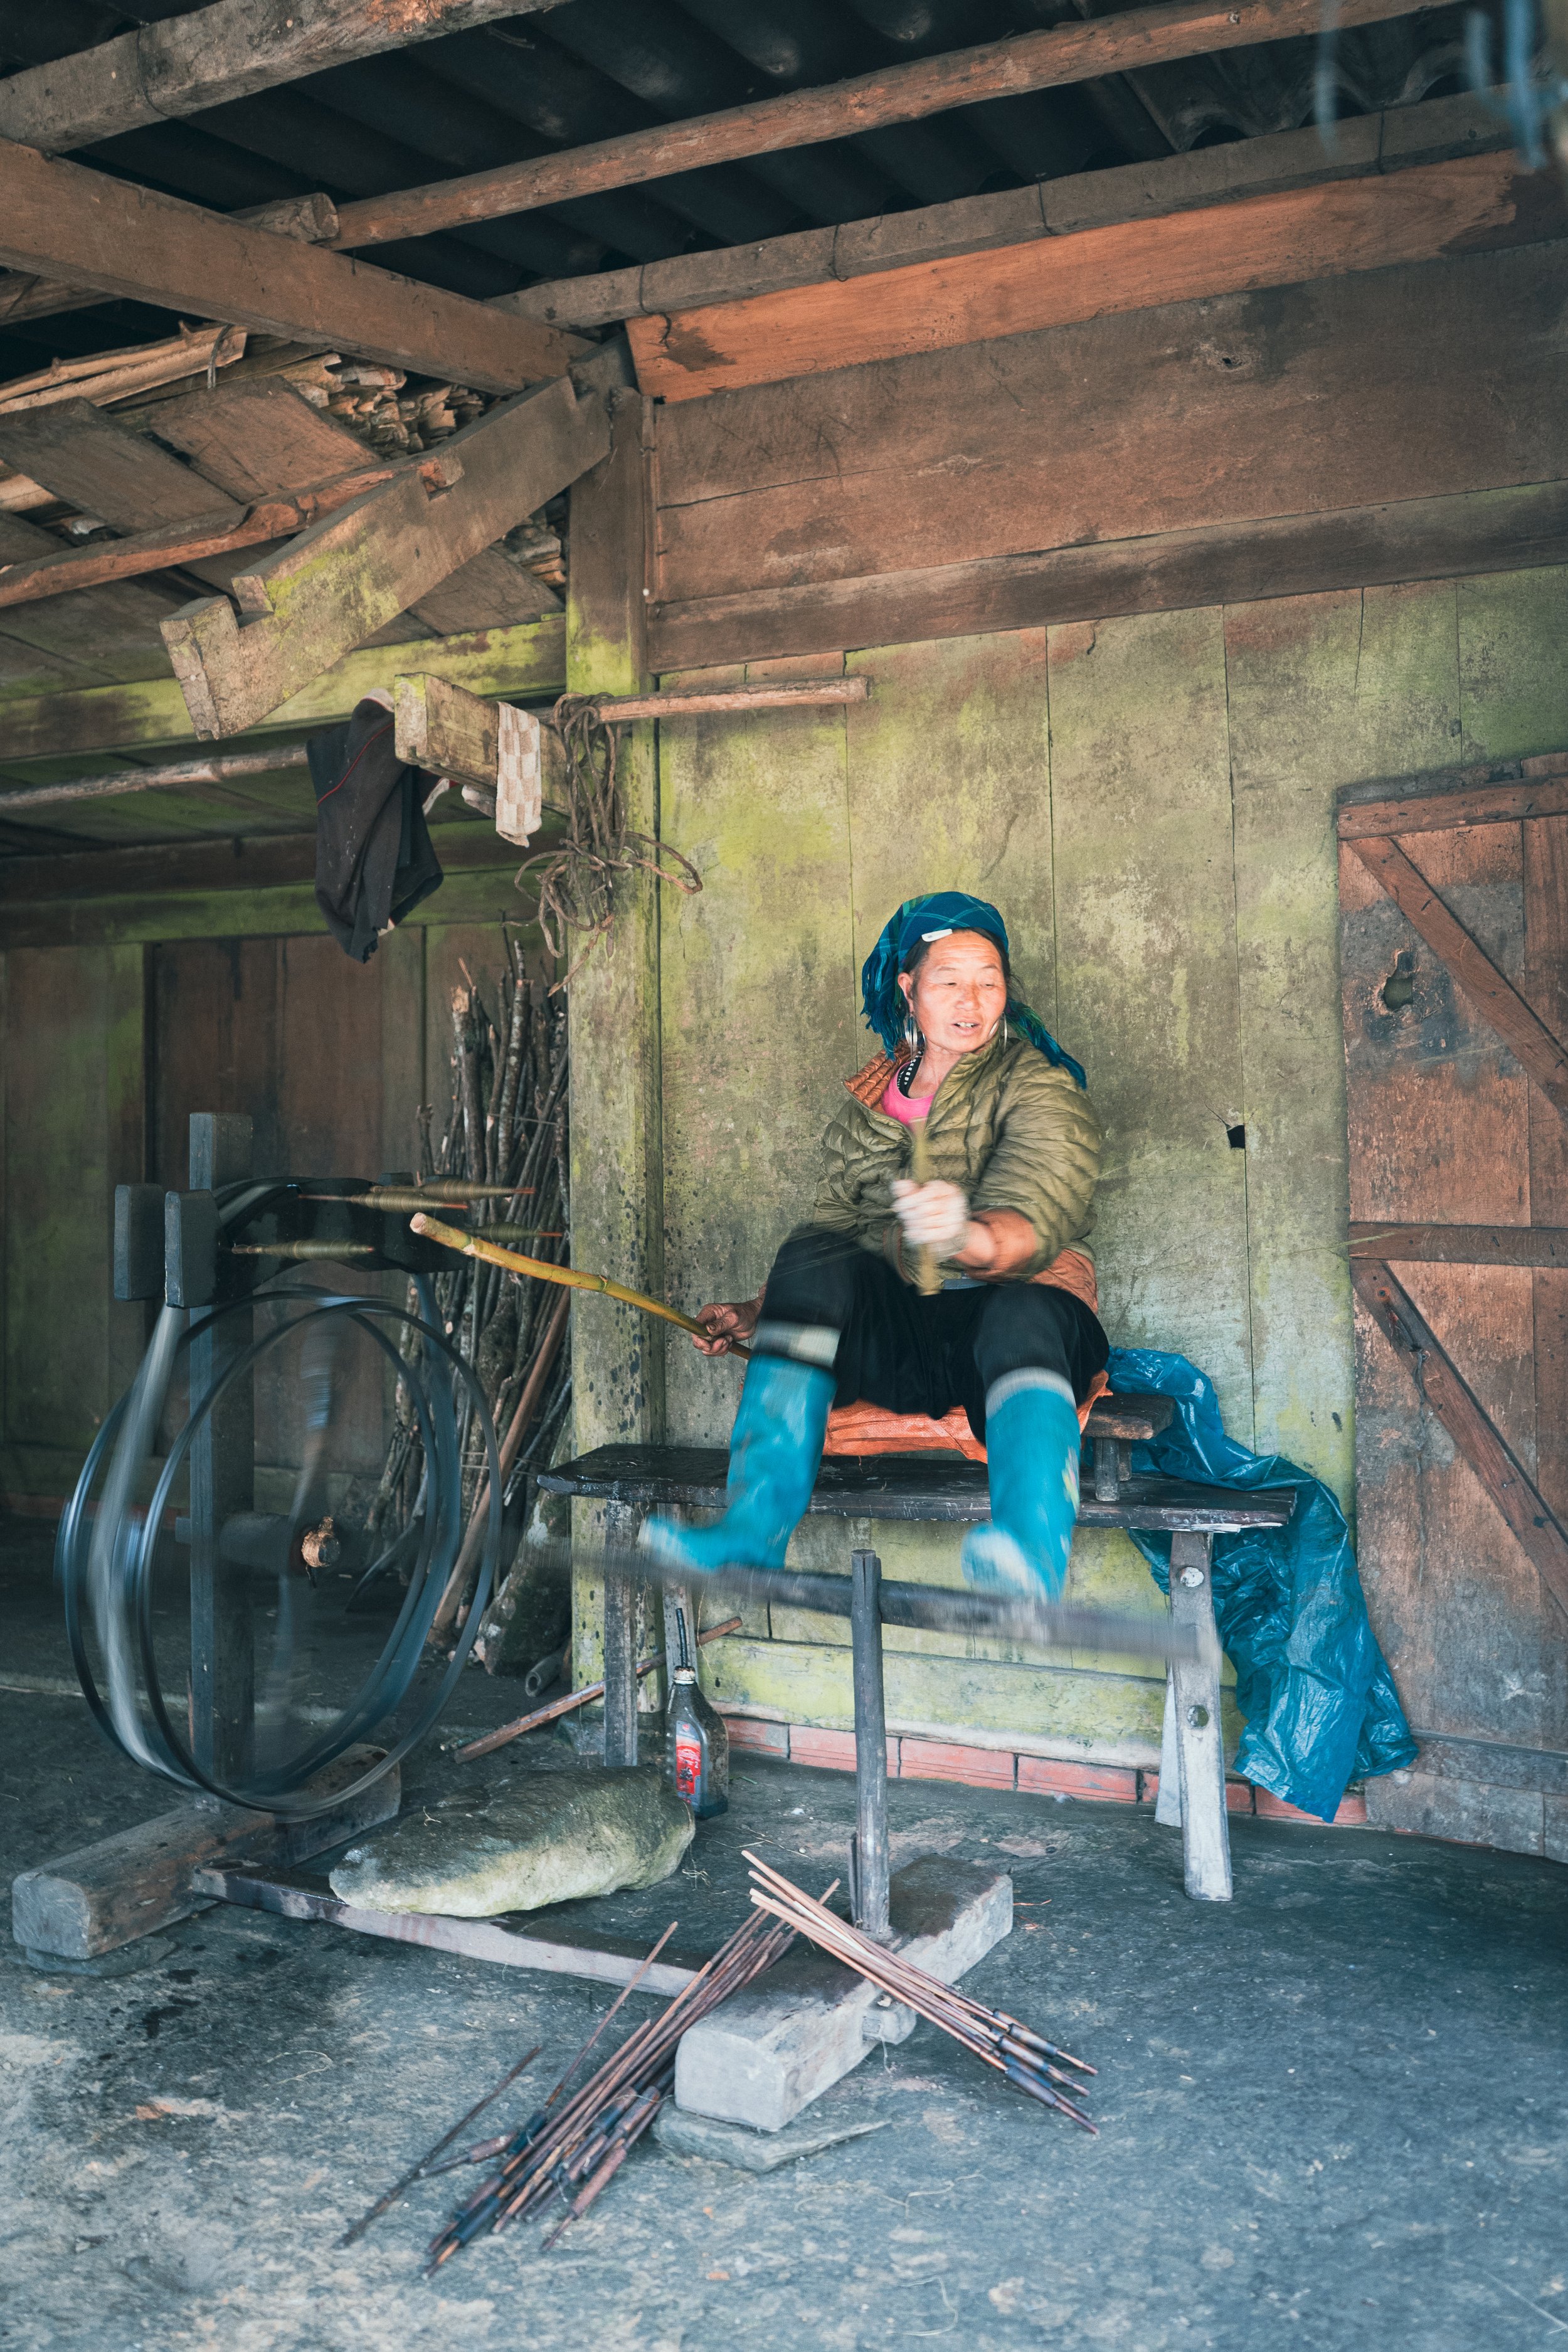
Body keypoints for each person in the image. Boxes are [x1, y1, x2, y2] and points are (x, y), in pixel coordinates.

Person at [641, 891, 1105, 1596]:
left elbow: (1036, 1220)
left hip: (1010, 1335)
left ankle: (1029, 1551)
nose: (970, 1000)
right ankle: (751, 1531)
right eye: (948, 980)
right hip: (902, 1339)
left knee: (1025, 1311)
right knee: (811, 1248)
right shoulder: (872, 1099)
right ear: (908, 989)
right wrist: (758, 1309)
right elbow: (839, 1234)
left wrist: (967, 1236)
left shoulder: (1037, 1089)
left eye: (988, 980)